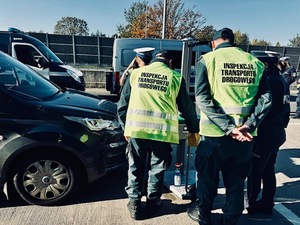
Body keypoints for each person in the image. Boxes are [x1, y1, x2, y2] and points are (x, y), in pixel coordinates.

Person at [186, 28, 272, 225]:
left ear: (214, 42)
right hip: (244, 137)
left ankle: (204, 214)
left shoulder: (208, 60)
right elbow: (266, 99)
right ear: (233, 42)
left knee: (207, 179)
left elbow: (202, 98)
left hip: (213, 135)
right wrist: (248, 125)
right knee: (236, 181)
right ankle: (231, 219)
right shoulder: (255, 63)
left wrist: (227, 127)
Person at [117, 50, 199, 220]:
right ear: (169, 62)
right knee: (157, 168)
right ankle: (153, 202)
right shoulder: (175, 77)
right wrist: (194, 128)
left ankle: (134, 205)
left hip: (137, 131)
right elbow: (187, 107)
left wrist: (125, 128)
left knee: (135, 166)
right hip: (161, 133)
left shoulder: (135, 74)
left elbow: (122, 105)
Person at [246, 51, 290, 215]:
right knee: (268, 170)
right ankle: (266, 203)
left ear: (264, 65)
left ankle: (250, 204)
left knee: (254, 172)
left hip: (265, 135)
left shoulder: (269, 81)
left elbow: (264, 109)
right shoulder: (281, 79)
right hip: (277, 133)